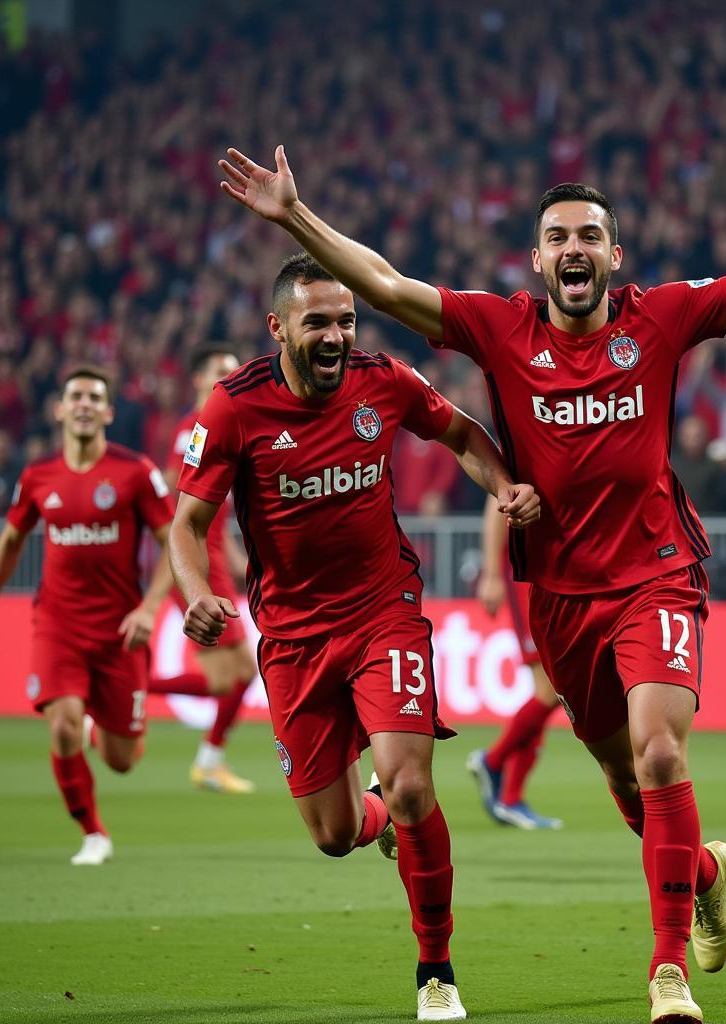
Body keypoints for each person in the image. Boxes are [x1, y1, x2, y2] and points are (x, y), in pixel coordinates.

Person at [218, 105, 726, 1023]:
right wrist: (294, 216)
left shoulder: (662, 319)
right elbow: (390, 287)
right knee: (632, 786)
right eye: (557, 236)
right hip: (560, 596)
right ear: (537, 260)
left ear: (615, 256)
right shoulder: (498, 329)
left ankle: (665, 974)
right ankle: (703, 871)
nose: (574, 247)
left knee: (662, 749)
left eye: (591, 234)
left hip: (657, 575)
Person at [168, 253, 539, 1022]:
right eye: (319, 323)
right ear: (278, 329)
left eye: (346, 320)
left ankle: (434, 971)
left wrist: (505, 488)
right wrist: (196, 591)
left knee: (411, 785)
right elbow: (186, 524)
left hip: (384, 613)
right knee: (336, 835)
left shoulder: (384, 380)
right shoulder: (232, 409)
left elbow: (463, 434)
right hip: (294, 640)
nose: (338, 335)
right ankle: (371, 812)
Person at [0, 367, 177, 865]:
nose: (85, 404)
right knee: (63, 725)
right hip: (57, 626)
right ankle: (93, 833)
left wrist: (150, 608)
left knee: (122, 760)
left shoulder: (135, 472)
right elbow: (9, 541)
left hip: (119, 632)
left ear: (108, 412)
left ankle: (104, 727)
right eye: (76, 396)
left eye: (95, 397)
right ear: (60, 410)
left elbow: (175, 542)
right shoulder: (37, 476)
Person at [152, 344, 258, 795]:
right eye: (219, 371)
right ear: (197, 378)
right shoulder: (189, 432)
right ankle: (128, 689)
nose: (227, 379)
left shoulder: (222, 427)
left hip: (214, 560)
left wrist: (238, 558)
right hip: (195, 564)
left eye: (233, 373)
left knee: (242, 674)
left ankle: (210, 758)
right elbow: (176, 510)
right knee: (229, 677)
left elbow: (213, 512)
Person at [468, 493, 562, 830]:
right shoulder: (520, 445)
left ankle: (510, 798)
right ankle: (493, 763)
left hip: (555, 571)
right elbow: (496, 502)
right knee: (551, 690)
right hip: (525, 573)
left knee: (549, 689)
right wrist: (492, 573)